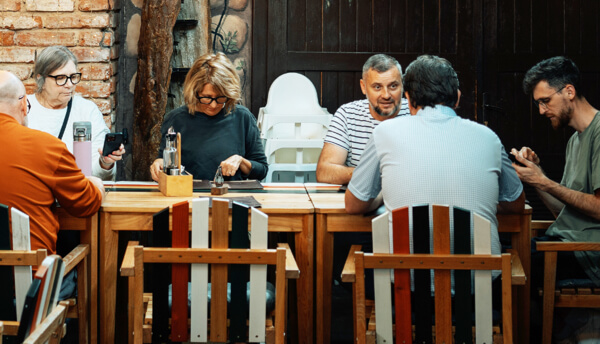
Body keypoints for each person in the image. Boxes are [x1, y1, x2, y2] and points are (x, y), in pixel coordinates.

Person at [345, 54, 525, 262]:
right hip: (479, 288)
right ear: (457, 97)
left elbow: (353, 205)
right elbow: (516, 205)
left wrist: (385, 192)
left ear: (409, 99)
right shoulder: (489, 138)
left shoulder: (384, 133)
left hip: (403, 287)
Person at [513, 56, 600, 342]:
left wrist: (546, 182)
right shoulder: (575, 140)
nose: (541, 110)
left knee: (514, 267)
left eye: (545, 101)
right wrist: (537, 178)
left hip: (588, 255)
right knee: (507, 256)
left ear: (569, 92)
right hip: (567, 245)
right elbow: (566, 212)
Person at [0, 70, 104, 286]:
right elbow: (86, 203)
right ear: (22, 105)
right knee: (82, 272)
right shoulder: (45, 146)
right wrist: (96, 184)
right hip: (28, 287)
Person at [150, 52, 267, 181]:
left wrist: (241, 161)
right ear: (195, 91)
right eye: (207, 98)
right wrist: (158, 164)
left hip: (230, 196)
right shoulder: (176, 120)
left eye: (221, 97)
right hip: (187, 195)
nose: (213, 105)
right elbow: (163, 161)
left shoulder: (243, 118)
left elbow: (262, 170)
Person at [28, 45, 125, 181]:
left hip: (73, 193)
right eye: (60, 78)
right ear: (41, 80)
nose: (69, 85)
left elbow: (95, 175)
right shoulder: (24, 108)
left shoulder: (86, 110)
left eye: (73, 77)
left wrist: (105, 163)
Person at [316, 53, 410, 185]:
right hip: (361, 201)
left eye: (393, 86)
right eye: (377, 87)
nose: (386, 95)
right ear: (363, 87)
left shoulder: (415, 112)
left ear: (402, 85)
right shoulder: (347, 114)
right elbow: (325, 172)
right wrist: (376, 175)